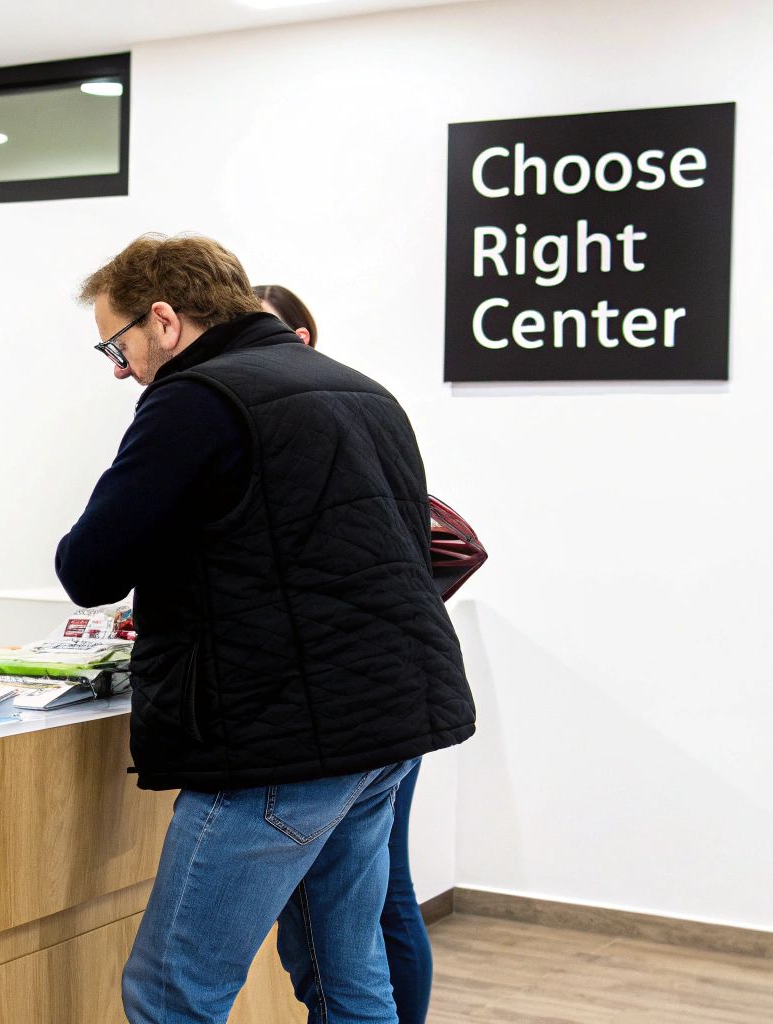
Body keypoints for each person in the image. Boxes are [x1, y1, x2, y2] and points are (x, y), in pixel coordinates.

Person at [58, 234, 475, 1023]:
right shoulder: (360, 390)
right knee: (347, 975)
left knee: (174, 992)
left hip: (279, 744)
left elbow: (91, 566)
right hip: (385, 730)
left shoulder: (195, 399)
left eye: (119, 345)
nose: (121, 369)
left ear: (165, 319)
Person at [255, 281, 430, 1023]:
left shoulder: (327, 418)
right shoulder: (351, 407)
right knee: (352, 936)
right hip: (386, 694)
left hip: (359, 703)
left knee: (377, 906)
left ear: (299, 338)